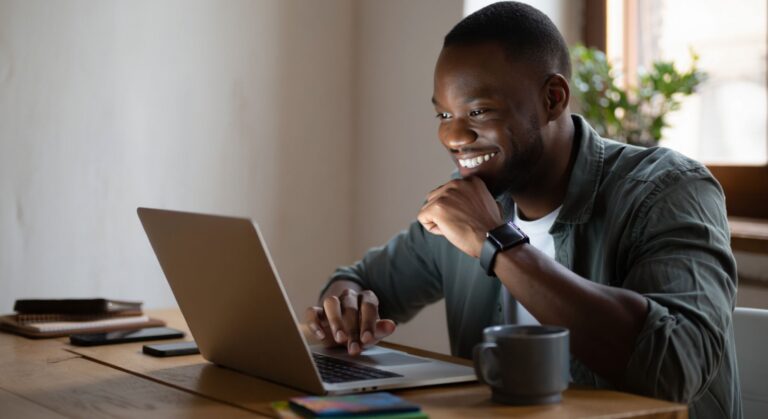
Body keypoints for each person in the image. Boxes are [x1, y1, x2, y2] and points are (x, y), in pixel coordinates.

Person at [304, 2, 740, 418]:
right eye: (443, 116)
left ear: (553, 98)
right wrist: (345, 305)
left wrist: (496, 243)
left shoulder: (669, 190)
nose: (454, 136)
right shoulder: (467, 206)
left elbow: (675, 369)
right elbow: (361, 281)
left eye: (478, 110)